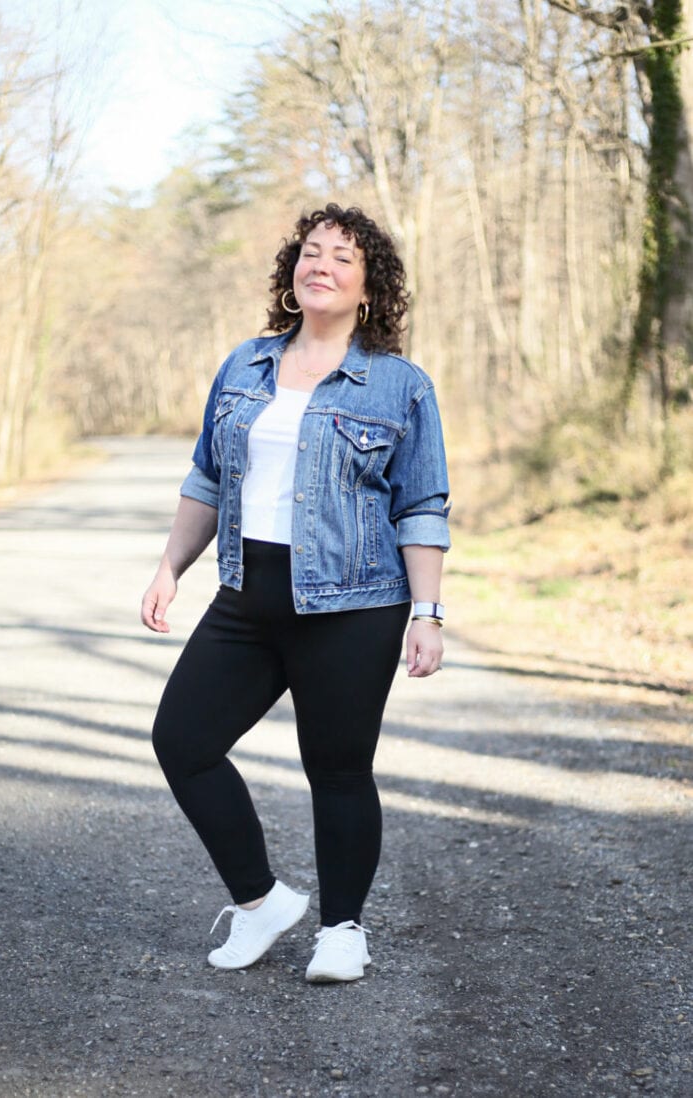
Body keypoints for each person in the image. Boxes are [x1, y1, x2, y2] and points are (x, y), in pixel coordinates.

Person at [141, 203, 450, 983]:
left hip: (356, 604)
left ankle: (343, 930)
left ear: (369, 288)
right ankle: (259, 902)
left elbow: (421, 505)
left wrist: (428, 612)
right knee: (183, 741)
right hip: (248, 594)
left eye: (344, 258)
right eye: (312, 253)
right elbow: (207, 477)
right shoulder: (244, 364)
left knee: (338, 768)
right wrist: (171, 565)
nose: (322, 265)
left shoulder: (399, 385)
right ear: (292, 272)